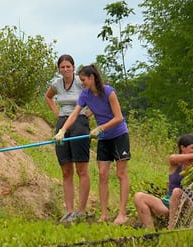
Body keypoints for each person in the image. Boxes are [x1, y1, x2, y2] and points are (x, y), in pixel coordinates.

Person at [55, 64, 131, 225]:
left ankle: (122, 213)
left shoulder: (109, 92)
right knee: (103, 174)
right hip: (104, 138)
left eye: (83, 79)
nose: (81, 83)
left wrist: (101, 127)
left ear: (92, 78)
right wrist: (62, 130)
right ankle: (104, 215)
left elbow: (118, 117)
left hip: (118, 135)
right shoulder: (85, 95)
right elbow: (74, 114)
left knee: (120, 173)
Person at [45, 54, 90, 223]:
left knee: (81, 169)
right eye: (62, 67)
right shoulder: (57, 83)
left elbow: (95, 95)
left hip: (79, 122)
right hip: (63, 123)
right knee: (66, 169)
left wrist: (88, 114)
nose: (65, 69)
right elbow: (48, 96)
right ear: (59, 69)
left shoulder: (80, 81)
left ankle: (81, 211)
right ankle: (70, 211)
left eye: (68, 66)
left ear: (73, 67)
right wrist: (57, 113)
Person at [132, 133, 193, 229]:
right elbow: (172, 158)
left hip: (189, 203)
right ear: (182, 148)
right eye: (192, 148)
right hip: (169, 202)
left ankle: (170, 228)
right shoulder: (176, 162)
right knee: (138, 196)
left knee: (177, 192)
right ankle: (149, 231)